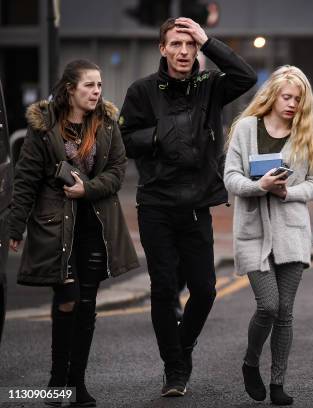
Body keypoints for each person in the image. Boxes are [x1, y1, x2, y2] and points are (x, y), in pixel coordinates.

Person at [118, 17, 256, 397]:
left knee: (206, 290)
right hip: (157, 204)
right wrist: (158, 135)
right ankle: (175, 368)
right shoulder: (142, 90)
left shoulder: (210, 85)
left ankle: (183, 346)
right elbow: (124, 139)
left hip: (197, 204)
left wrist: (208, 39)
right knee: (163, 290)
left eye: (190, 45)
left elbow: (245, 77)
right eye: (176, 44)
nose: (183, 52)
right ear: (162, 49)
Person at [8, 59, 139, 407]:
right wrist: (15, 225)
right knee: (67, 299)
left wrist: (88, 189)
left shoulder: (107, 125)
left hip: (96, 226)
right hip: (55, 227)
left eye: (99, 85)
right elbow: (26, 180)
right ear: (70, 89)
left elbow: (117, 170)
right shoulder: (44, 128)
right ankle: (56, 379)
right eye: (89, 85)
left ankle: (77, 382)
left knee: (86, 305)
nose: (97, 91)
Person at [224, 65, 313, 405]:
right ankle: (250, 362)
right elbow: (231, 178)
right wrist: (259, 186)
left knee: (286, 312)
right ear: (271, 96)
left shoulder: (307, 135)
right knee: (268, 305)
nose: (292, 104)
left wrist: (288, 192)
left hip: (292, 233)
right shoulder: (245, 129)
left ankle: (278, 382)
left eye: (298, 99)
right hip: (252, 231)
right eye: (287, 96)